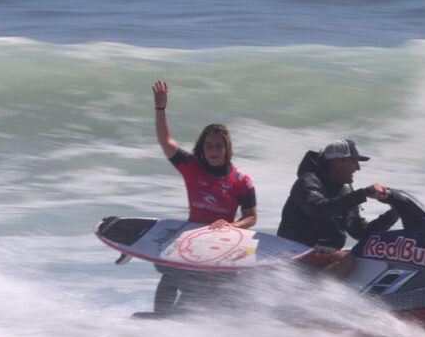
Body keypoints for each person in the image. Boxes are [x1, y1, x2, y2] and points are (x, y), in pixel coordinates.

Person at [143, 80, 257, 316]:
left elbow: (251, 218)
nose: (213, 151)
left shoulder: (241, 180)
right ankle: (160, 318)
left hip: (222, 243)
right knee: (172, 273)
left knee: (211, 292)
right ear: (202, 148)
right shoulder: (191, 167)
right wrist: (160, 109)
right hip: (192, 239)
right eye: (209, 146)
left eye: (218, 146)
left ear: (226, 149)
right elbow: (167, 142)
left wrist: (231, 225)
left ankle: (191, 322)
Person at [277, 139, 398, 276]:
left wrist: (395, 212)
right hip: (295, 250)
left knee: (366, 259)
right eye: (354, 162)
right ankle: (310, 296)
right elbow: (318, 210)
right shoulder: (307, 181)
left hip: (322, 254)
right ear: (337, 162)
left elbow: (360, 232)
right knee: (345, 260)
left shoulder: (344, 191)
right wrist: (362, 194)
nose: (358, 168)